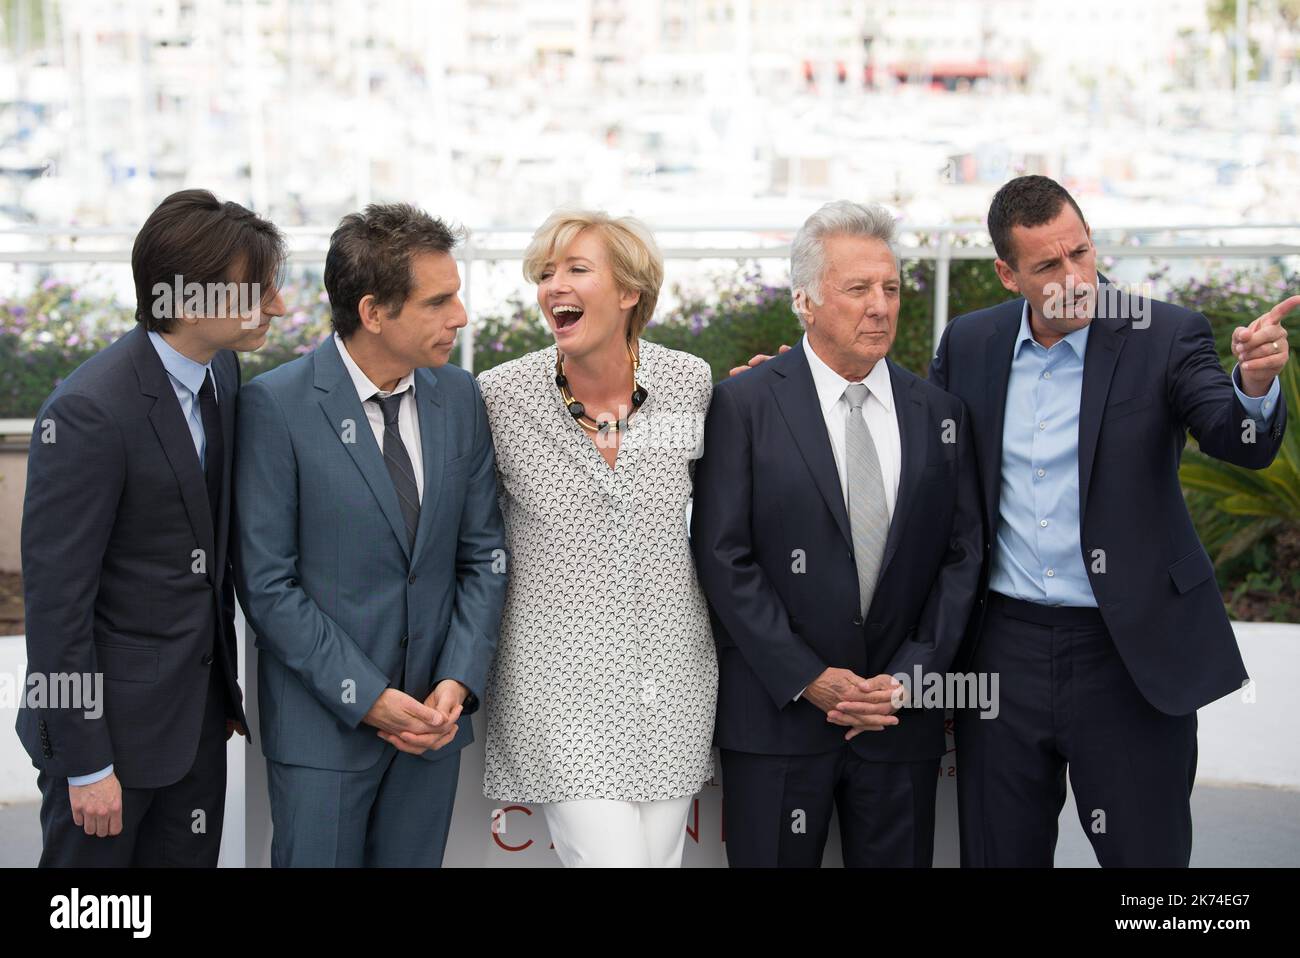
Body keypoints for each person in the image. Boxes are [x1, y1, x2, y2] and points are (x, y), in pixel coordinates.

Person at [927, 175, 1292, 866]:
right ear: (1007, 274)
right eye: (1047, 266)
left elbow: (1232, 434)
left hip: (1129, 655)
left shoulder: (1165, 334)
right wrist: (792, 390)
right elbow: (923, 462)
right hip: (1000, 651)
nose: (1075, 278)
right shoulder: (969, 344)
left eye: (1082, 253)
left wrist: (1255, 384)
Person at [691, 200, 983, 867]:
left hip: (897, 723)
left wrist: (909, 678)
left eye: (890, 288)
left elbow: (962, 558)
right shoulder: (743, 404)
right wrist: (808, 676)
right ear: (806, 300)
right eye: (858, 289)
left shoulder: (940, 415)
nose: (880, 306)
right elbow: (722, 553)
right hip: (778, 720)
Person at [17, 189, 286, 866]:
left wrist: (220, 691)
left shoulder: (219, 370)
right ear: (192, 302)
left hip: (194, 724)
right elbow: (57, 605)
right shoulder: (88, 412)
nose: (277, 307)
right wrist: (84, 764)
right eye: (257, 291)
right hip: (108, 744)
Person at [234, 204, 506, 867]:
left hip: (433, 731)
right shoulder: (276, 406)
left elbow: (485, 557)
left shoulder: (459, 398)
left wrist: (457, 681)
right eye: (439, 301)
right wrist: (371, 700)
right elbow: (268, 585)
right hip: (324, 735)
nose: (461, 317)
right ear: (373, 312)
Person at [478, 209, 717, 867]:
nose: (555, 286)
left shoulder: (688, 383)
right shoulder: (499, 397)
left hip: (670, 679)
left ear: (628, 291)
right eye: (545, 274)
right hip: (558, 689)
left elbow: (731, 504)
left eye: (577, 270)